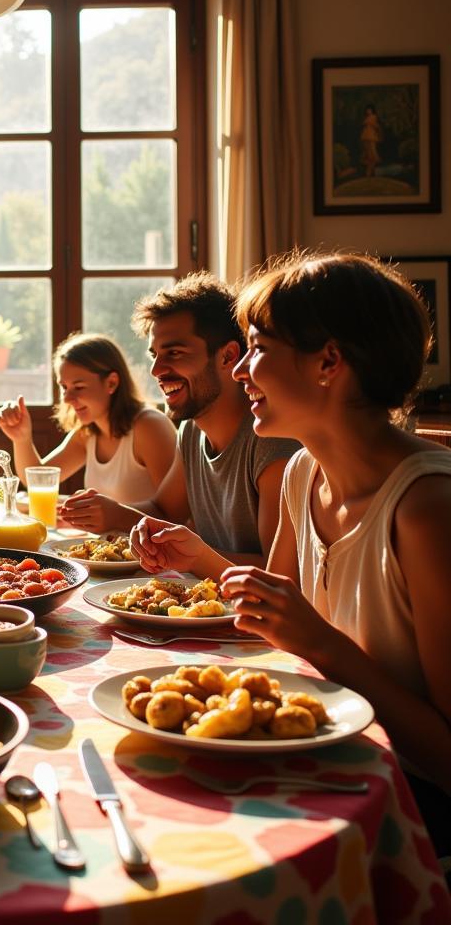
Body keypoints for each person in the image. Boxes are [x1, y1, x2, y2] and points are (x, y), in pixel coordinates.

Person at [129, 252, 451, 841]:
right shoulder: (305, 472)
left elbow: (446, 760)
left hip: (403, 811)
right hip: (320, 761)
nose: (241, 370)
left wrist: (318, 640)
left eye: (258, 349)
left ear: (329, 361)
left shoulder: (426, 510)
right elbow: (274, 634)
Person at [61, 272, 299, 565]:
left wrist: (195, 558)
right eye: (155, 356)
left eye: (174, 353)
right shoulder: (191, 431)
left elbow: (278, 574)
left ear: (227, 357)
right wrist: (113, 513)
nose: (156, 371)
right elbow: (164, 510)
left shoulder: (271, 441)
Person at [0, 332, 176, 505]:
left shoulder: (150, 426)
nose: (66, 398)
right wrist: (22, 438)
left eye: (79, 387)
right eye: (64, 387)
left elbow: (177, 514)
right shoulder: (88, 433)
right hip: (106, 539)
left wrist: (107, 516)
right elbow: (37, 482)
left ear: (111, 383)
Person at [360, 104, 382, 178]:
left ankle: (370, 173)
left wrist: (372, 124)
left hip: (371, 137)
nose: (368, 111)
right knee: (368, 155)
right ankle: (370, 173)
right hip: (366, 137)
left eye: (369, 110)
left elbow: (376, 126)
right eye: (367, 110)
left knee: (372, 154)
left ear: (372, 110)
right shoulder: (367, 118)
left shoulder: (373, 117)